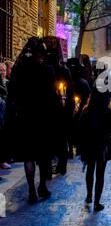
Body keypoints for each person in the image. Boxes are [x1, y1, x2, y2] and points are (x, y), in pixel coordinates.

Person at [4, 37, 58, 203]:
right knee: (43, 155)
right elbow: (51, 96)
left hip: (25, 118)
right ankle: (42, 185)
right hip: (42, 118)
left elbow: (11, 95)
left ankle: (31, 191)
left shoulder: (19, 70)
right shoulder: (47, 70)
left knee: (29, 156)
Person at [78, 88, 111, 212]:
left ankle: (89, 195)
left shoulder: (86, 110)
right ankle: (97, 202)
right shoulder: (108, 111)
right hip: (103, 145)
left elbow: (81, 128)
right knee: (100, 174)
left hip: (89, 144)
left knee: (90, 169)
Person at [43, 37, 74, 176]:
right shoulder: (63, 70)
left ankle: (48, 168)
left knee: (48, 140)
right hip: (60, 111)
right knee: (61, 140)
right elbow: (70, 92)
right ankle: (61, 166)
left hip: (49, 110)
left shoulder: (42, 69)